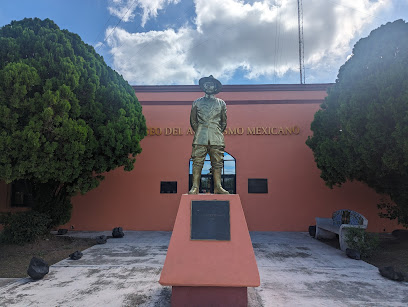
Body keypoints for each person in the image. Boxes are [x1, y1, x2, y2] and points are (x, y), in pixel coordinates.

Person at [188, 75, 229, 194]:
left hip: (216, 137)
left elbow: (224, 122)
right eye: (206, 83)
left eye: (211, 84)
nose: (209, 86)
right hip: (200, 136)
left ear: (215, 87)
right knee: (197, 161)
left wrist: (215, 131)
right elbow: (193, 121)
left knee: (217, 162)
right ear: (203, 86)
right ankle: (195, 187)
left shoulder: (221, 103)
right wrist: (201, 130)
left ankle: (218, 186)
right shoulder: (196, 102)